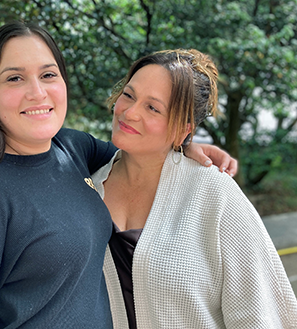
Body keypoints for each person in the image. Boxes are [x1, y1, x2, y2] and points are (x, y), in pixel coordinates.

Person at [0, 21, 236, 328]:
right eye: (15, 78)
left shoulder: (72, 148)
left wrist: (183, 146)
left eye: (48, 74)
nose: (37, 92)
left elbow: (136, 154)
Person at [92, 49, 297, 328]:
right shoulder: (87, 188)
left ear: (182, 129)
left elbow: (259, 314)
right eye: (128, 95)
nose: (129, 112)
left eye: (152, 107)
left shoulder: (215, 194)